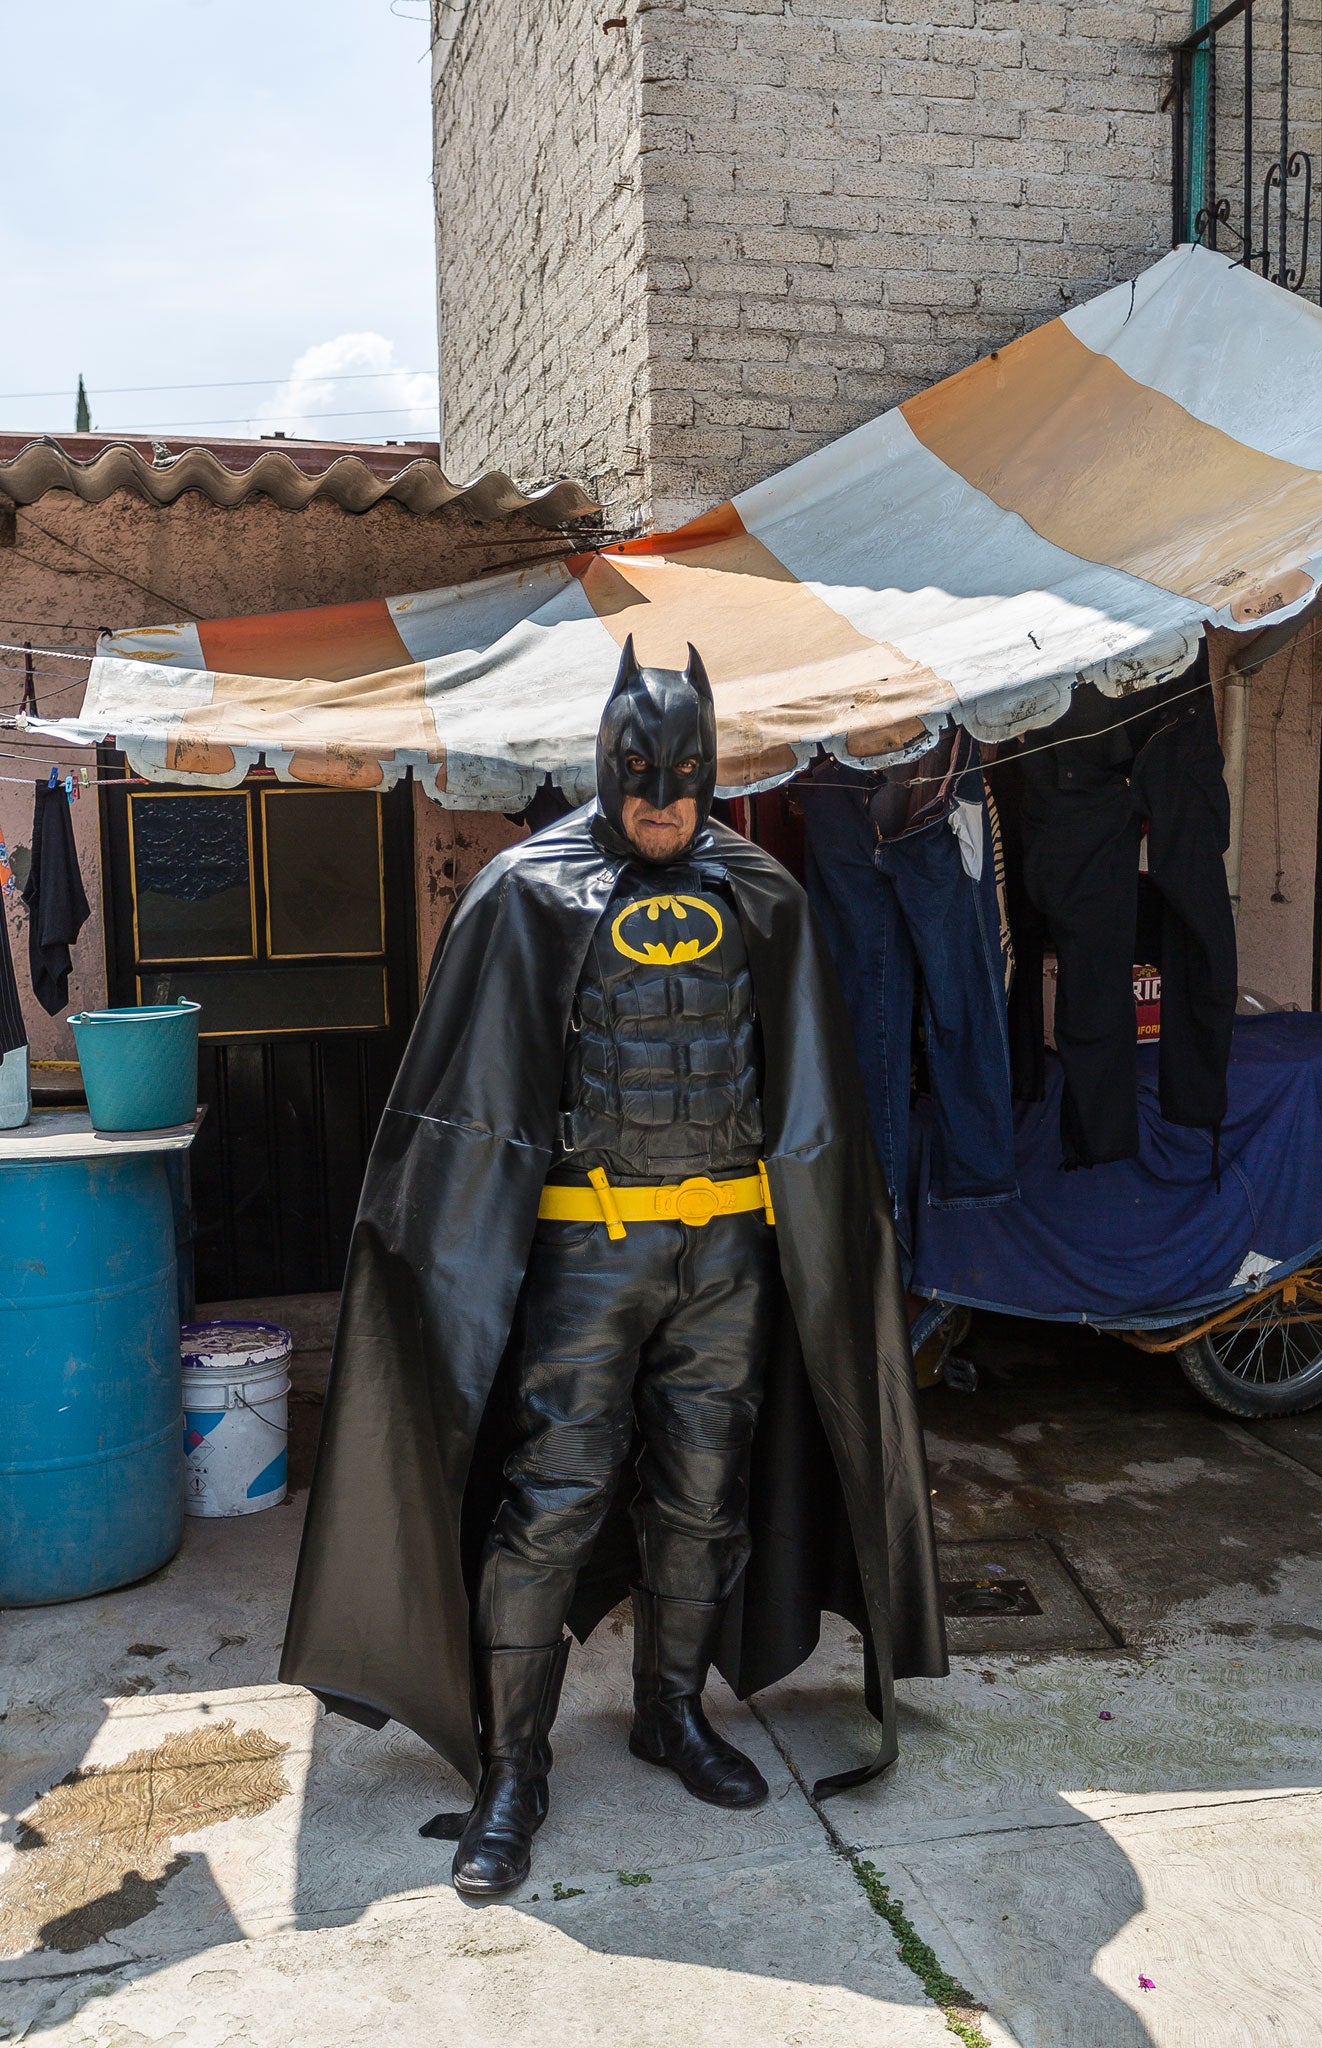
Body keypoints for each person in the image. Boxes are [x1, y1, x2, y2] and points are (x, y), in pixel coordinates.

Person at [281, 638, 946, 1898]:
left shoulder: (766, 893)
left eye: (685, 772)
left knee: (706, 1494)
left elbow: (811, 1101)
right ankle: (513, 1767)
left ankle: (669, 1709)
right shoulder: (526, 891)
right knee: (555, 1500)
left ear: (712, 767)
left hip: (728, 1253)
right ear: (602, 758)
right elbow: (462, 1109)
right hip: (588, 1245)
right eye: (639, 769)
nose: (660, 795)